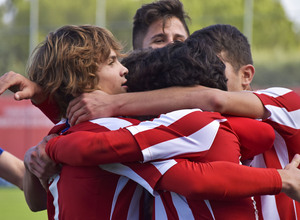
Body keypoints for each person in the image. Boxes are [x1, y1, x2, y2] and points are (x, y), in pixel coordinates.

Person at [61, 24, 300, 220]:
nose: (208, 73)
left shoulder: (286, 102)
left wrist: (111, 105)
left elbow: (214, 99)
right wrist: (43, 94)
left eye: (215, 66)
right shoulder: (174, 122)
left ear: (246, 75)